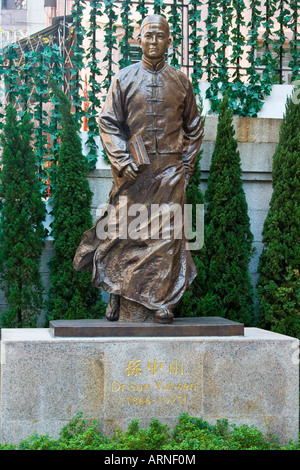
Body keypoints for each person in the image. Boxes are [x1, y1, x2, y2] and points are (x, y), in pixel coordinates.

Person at [73, 14, 203, 324]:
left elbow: (194, 127)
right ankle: (116, 293)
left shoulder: (182, 82)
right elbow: (107, 122)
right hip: (134, 172)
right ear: (139, 39)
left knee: (168, 238)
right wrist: (121, 160)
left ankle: (161, 300)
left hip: (170, 171)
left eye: (160, 36)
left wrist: (186, 166)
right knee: (122, 233)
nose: (154, 41)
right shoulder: (124, 78)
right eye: (148, 36)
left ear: (169, 41)